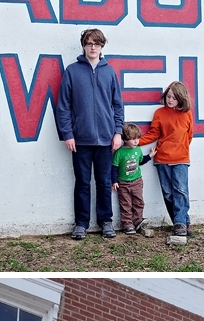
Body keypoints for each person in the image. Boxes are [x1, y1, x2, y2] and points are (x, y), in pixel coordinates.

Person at [55, 28, 124, 240]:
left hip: (105, 139)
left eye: (97, 43)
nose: (93, 47)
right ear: (84, 45)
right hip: (81, 140)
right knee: (82, 182)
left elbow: (117, 105)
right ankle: (81, 223)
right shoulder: (72, 71)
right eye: (89, 43)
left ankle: (106, 222)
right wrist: (68, 133)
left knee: (104, 182)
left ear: (102, 46)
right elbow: (63, 106)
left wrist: (118, 132)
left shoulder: (109, 72)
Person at [147, 81, 194, 246]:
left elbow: (189, 135)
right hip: (162, 159)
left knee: (180, 191)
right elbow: (153, 133)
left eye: (174, 97)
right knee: (168, 193)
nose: (170, 100)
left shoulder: (187, 114)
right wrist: (136, 141)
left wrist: (180, 148)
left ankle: (179, 223)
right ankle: (183, 221)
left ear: (181, 98)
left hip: (181, 159)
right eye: (168, 96)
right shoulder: (159, 113)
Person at [111, 123, 153, 235]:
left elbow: (140, 161)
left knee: (139, 202)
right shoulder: (119, 152)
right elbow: (114, 168)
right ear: (125, 139)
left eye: (138, 138)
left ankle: (138, 220)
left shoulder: (138, 150)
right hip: (123, 183)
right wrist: (114, 181)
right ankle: (127, 224)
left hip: (137, 181)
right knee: (126, 204)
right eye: (133, 139)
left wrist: (149, 156)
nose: (136, 141)